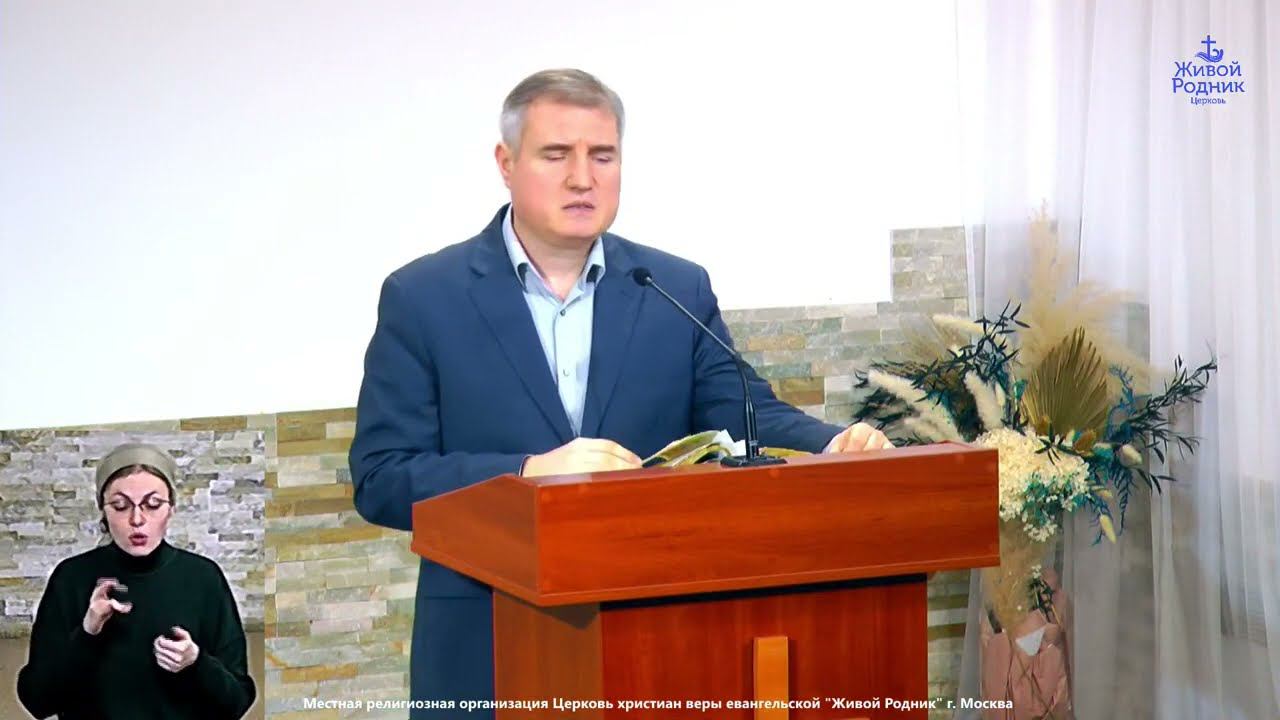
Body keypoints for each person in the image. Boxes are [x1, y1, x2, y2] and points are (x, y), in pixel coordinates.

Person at [348, 68, 893, 715]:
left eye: (602, 155)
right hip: (487, 648)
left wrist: (833, 444)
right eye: (557, 154)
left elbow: (745, 414)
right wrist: (525, 473)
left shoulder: (671, 287)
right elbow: (382, 477)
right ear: (506, 163)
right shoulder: (423, 297)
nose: (583, 177)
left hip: (656, 645)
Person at [16, 443, 256, 720]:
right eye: (120, 506)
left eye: (153, 505)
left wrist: (197, 662)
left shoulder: (203, 578)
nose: (137, 519)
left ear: (171, 509)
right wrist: (87, 633)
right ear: (103, 510)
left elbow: (237, 702)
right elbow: (38, 701)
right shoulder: (71, 578)